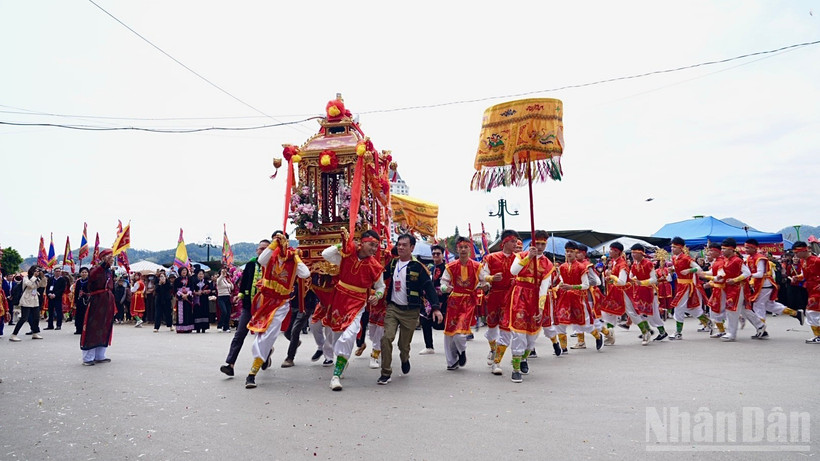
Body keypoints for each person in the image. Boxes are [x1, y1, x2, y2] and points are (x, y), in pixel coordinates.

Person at [243, 233, 311, 388]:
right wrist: (274, 244)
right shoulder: (270, 257)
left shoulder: (292, 258)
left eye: (282, 240)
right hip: (264, 301)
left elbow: (305, 273)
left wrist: (296, 258)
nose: (280, 243)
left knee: (268, 335)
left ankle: (252, 373)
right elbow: (261, 260)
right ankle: (263, 356)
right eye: (276, 240)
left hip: (280, 304)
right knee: (260, 334)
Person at [322, 229, 386, 391]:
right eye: (371, 244)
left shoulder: (374, 265)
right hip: (339, 298)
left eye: (376, 246)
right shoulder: (347, 254)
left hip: (357, 303)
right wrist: (342, 245)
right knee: (337, 335)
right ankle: (342, 361)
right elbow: (326, 254)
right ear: (361, 242)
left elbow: (381, 286)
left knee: (349, 335)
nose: (374, 249)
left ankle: (335, 375)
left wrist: (377, 296)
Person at [378, 233, 441, 386]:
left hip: (411, 311)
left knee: (403, 345)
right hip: (393, 308)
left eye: (404, 245)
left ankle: (404, 358)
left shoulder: (418, 267)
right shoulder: (392, 264)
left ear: (412, 248)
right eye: (399, 244)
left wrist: (435, 308)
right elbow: (378, 276)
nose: (400, 247)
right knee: (387, 338)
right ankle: (385, 372)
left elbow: (429, 288)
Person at [507, 231, 554, 382]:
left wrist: (541, 308)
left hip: (535, 298)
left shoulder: (548, 264)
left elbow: (544, 288)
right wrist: (529, 257)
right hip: (520, 295)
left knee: (532, 336)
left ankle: (523, 359)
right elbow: (513, 271)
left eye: (543, 244)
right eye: (537, 244)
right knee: (519, 333)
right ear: (532, 244)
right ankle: (515, 369)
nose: (540, 247)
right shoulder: (521, 256)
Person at [220, 239, 269, 376]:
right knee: (240, 334)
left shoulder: (272, 265)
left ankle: (266, 355)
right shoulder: (251, 264)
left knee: (263, 337)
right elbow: (244, 283)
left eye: (266, 248)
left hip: (265, 308)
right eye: (260, 248)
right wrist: (240, 295)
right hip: (249, 306)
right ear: (257, 250)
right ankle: (230, 364)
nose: (263, 251)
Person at [439, 237, 483, 371]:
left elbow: (484, 281)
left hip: (468, 302)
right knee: (449, 332)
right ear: (457, 249)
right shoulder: (450, 267)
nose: (463, 249)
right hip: (454, 301)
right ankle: (451, 361)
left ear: (470, 249)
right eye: (460, 247)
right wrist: (446, 289)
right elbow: (442, 284)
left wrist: (484, 286)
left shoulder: (477, 266)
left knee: (460, 332)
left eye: (466, 247)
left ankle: (462, 351)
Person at [715, 238, 766, 341]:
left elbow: (747, 273)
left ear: (731, 249)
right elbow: (723, 273)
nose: (722, 251)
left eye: (724, 249)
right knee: (744, 309)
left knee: (731, 310)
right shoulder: (726, 261)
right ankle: (760, 325)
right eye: (722, 249)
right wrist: (717, 278)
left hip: (738, 289)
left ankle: (731, 333)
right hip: (730, 288)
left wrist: (735, 280)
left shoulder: (737, 260)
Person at [744, 239, 804, 325]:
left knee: (758, 305)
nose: (745, 250)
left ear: (754, 248)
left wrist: (748, 275)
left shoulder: (760, 258)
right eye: (745, 248)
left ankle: (761, 327)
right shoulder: (749, 258)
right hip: (759, 285)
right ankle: (795, 313)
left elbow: (761, 274)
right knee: (769, 305)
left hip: (764, 284)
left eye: (747, 248)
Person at [481, 229, 519, 367]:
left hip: (511, 297)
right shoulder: (491, 258)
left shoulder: (519, 259)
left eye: (516, 241)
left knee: (505, 329)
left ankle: (497, 362)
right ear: (504, 242)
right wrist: (490, 279)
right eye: (512, 241)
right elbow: (482, 275)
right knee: (492, 328)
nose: (515, 244)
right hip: (494, 296)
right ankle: (493, 349)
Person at [668, 237, 711, 340]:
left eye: (674, 247)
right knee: (692, 309)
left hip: (687, 286)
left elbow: (699, 268)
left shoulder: (686, 258)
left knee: (678, 307)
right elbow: (677, 267)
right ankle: (708, 322)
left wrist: (689, 271)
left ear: (680, 247)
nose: (672, 248)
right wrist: (672, 270)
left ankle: (678, 332)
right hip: (680, 285)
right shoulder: (674, 258)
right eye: (672, 246)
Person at [80, 249, 116, 365]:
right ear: (103, 258)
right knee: (93, 327)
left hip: (107, 301)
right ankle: (88, 357)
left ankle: (100, 355)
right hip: (97, 301)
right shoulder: (95, 270)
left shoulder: (109, 272)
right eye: (109, 256)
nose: (112, 258)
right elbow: (93, 278)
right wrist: (104, 264)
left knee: (105, 326)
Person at [629, 244, 669, 342]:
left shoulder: (648, 263)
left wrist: (642, 282)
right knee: (640, 311)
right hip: (639, 291)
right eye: (632, 253)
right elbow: (631, 275)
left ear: (641, 253)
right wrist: (633, 280)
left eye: (635, 253)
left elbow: (654, 279)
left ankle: (662, 332)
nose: (633, 255)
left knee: (653, 313)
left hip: (650, 290)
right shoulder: (634, 264)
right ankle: (647, 330)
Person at [420, 244, 448, 355]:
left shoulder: (448, 268)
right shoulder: (430, 269)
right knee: (424, 320)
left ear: (442, 255)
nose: (435, 255)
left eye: (438, 253)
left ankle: (453, 346)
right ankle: (429, 346)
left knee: (445, 322)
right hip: (430, 299)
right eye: (434, 254)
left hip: (444, 299)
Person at [792, 241, 820, 343]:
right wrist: (797, 277)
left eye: (797, 253)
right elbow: (804, 274)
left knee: (811, 311)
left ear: (804, 250)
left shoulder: (817, 261)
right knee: (812, 312)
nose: (796, 255)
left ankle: (818, 335)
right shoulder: (803, 261)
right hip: (811, 289)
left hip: (817, 290)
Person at [698, 243, 729, 338]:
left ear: (717, 252)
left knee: (718, 310)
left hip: (721, 289)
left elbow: (719, 278)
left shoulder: (720, 263)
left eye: (711, 251)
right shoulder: (716, 262)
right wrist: (701, 273)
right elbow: (712, 273)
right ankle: (722, 330)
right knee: (714, 310)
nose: (709, 253)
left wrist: (705, 276)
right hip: (717, 289)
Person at [9, 266, 44, 341]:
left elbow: (40, 286)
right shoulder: (26, 278)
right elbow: (30, 285)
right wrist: (34, 277)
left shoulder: (37, 278)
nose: (37, 272)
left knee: (36, 317)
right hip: (26, 299)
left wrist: (41, 277)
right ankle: (14, 334)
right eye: (36, 271)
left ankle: (35, 332)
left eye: (38, 271)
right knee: (24, 318)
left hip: (34, 299)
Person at [174, 267, 195, 333]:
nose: (184, 272)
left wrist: (187, 294)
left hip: (188, 297)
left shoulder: (190, 279)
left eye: (185, 270)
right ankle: (181, 328)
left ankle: (188, 328)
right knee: (181, 313)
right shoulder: (177, 280)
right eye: (183, 270)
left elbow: (192, 288)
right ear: (180, 271)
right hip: (180, 297)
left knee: (188, 311)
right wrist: (182, 294)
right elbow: (175, 289)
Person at [192, 268, 212, 333]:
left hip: (204, 299)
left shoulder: (206, 282)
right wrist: (197, 293)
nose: (201, 275)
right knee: (197, 312)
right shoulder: (194, 281)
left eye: (202, 274)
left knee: (204, 312)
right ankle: (197, 327)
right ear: (197, 275)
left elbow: (210, 290)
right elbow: (192, 290)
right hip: (197, 300)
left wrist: (206, 291)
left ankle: (204, 327)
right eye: (199, 274)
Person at [73, 267, 91, 335]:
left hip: (87, 300)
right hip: (80, 300)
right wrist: (75, 301)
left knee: (86, 315)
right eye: (83, 272)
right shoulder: (78, 282)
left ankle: (86, 329)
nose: (84, 274)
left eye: (85, 272)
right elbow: (76, 292)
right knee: (78, 315)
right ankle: (78, 329)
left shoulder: (89, 281)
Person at [216, 267, 234, 332]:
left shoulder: (226, 280)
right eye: (223, 272)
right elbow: (218, 281)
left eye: (225, 272)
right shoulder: (219, 280)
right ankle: (220, 325)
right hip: (221, 297)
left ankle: (226, 327)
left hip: (227, 296)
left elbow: (232, 287)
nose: (225, 273)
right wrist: (222, 274)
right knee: (224, 311)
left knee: (228, 312)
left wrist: (230, 283)